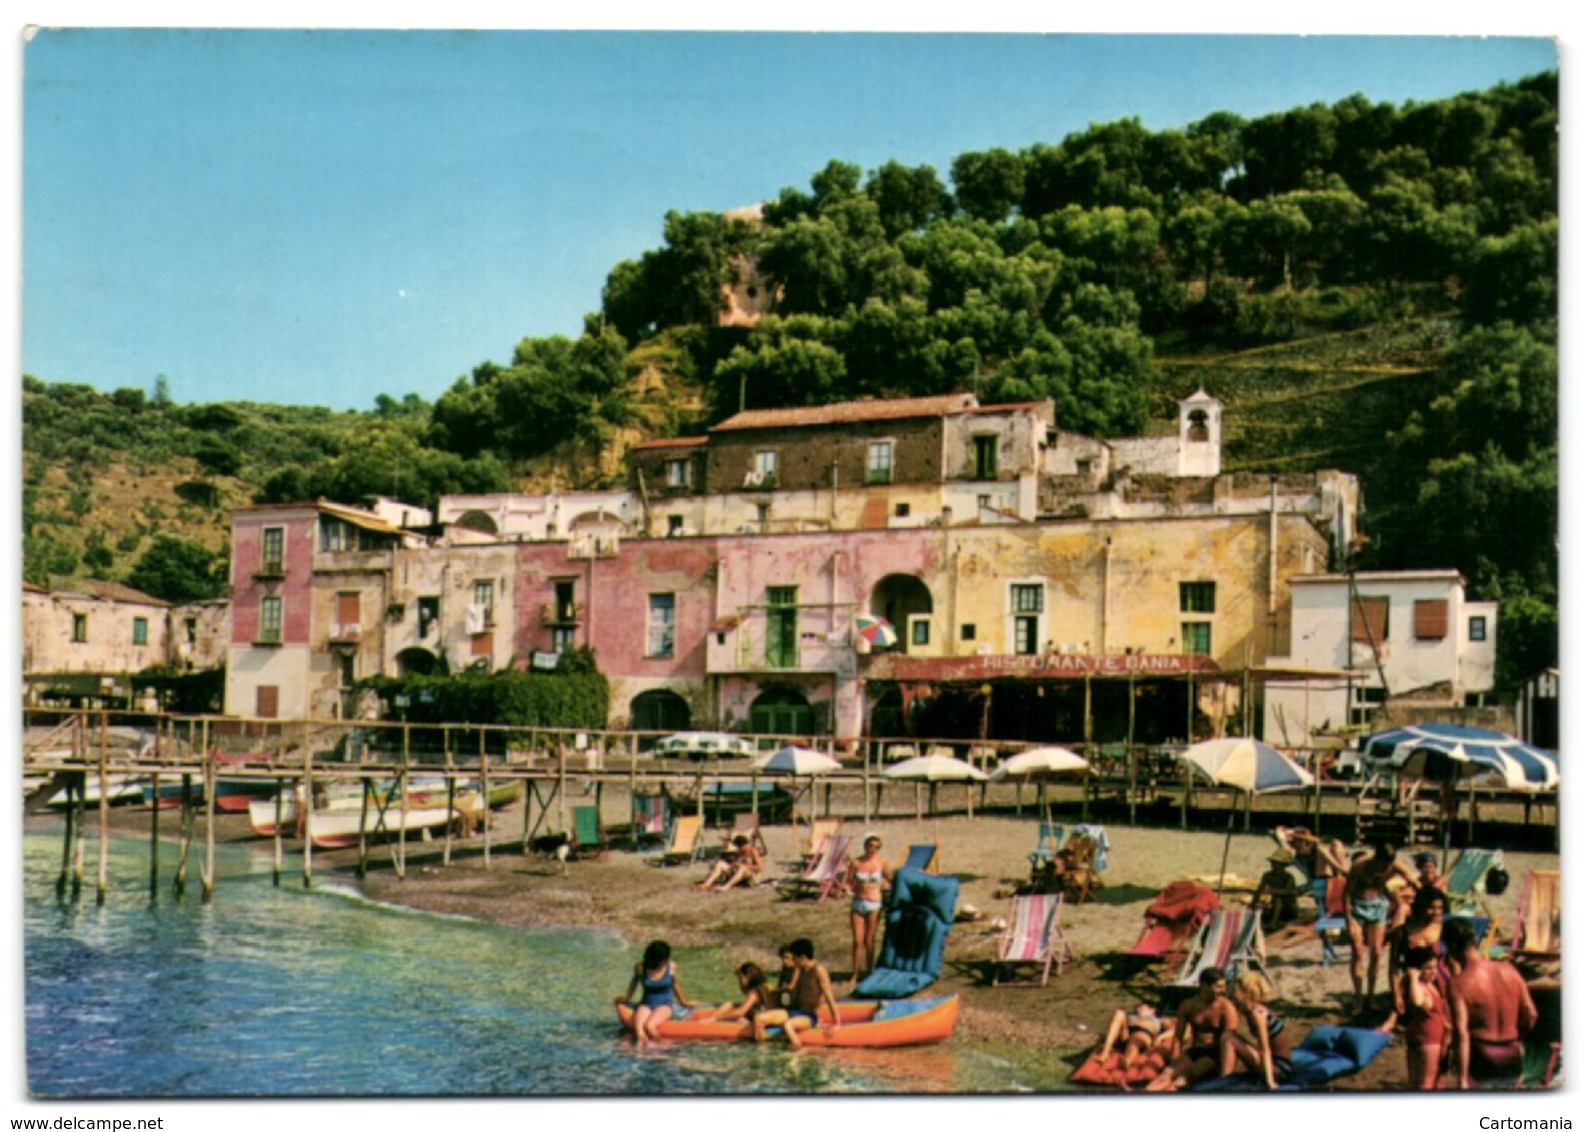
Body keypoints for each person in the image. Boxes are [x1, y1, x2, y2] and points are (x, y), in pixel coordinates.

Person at [1445, 916, 1538, 1089]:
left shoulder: (1458, 984)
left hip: (1482, 1057)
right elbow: (1531, 1013)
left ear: (1451, 948)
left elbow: (1461, 1033)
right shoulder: (1509, 970)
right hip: (1512, 1053)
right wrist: (1518, 1037)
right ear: (1475, 941)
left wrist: (1463, 1077)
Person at [1343, 840, 1418, 1014]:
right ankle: (1358, 999)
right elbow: (1346, 893)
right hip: (1358, 905)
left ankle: (1370, 998)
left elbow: (1412, 879)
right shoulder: (1359, 867)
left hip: (1378, 906)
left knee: (1376, 952)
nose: (1385, 867)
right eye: (1382, 863)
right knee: (1357, 950)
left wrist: (1422, 892)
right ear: (1376, 858)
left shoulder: (1394, 865)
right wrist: (1348, 918)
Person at [1146, 966, 1239, 1091]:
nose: (1223, 990)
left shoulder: (1226, 1008)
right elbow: (1178, 1037)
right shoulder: (1188, 1005)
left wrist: (1225, 1074)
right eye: (1218, 987)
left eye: (1223, 986)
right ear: (1204, 986)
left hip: (1215, 1055)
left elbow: (1231, 1041)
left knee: (1178, 1083)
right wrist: (1174, 1061)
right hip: (1195, 1051)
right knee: (1166, 1075)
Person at [752, 937, 842, 1049]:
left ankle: (798, 1053)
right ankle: (764, 1054)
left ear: (803, 957)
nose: (792, 961)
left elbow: (829, 996)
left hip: (808, 1016)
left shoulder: (819, 971)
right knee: (758, 1019)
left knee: (787, 1025)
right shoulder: (799, 970)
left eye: (794, 958)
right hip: (794, 1011)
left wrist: (837, 1022)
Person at [616, 940, 694, 1047]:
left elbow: (675, 984)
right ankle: (640, 1056)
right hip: (646, 1004)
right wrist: (627, 998)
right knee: (639, 1029)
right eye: (663, 959)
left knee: (649, 1026)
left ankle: (664, 1047)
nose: (666, 960)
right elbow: (633, 983)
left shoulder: (671, 966)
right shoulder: (640, 968)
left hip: (664, 1005)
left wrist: (684, 1002)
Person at [1225, 971, 1294, 1091]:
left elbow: (1265, 1049)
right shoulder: (1250, 1010)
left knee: (1229, 1040)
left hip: (1278, 1070)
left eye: (1235, 992)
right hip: (1275, 1063)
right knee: (1229, 1036)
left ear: (1246, 994)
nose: (1232, 996)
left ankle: (1222, 1081)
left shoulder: (1258, 1015)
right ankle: (1223, 1079)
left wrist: (1270, 1082)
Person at [844, 832, 893, 989]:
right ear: (865, 846)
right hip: (858, 902)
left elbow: (892, 879)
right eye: (870, 846)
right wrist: (846, 888)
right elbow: (848, 882)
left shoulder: (882, 863)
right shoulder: (856, 863)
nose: (873, 849)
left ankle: (869, 971)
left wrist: (886, 889)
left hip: (874, 904)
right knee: (857, 941)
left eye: (876, 847)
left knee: (869, 941)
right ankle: (855, 974)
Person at [1400, 945, 1450, 1090]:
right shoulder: (1419, 987)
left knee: (1419, 1083)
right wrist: (1414, 977)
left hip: (1423, 1038)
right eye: (1428, 968)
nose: (1433, 972)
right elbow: (1417, 1001)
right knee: (1426, 1084)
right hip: (1429, 1041)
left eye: (1435, 967)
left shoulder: (1429, 985)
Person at [1095, 1002, 1173, 1069]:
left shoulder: (1159, 1020)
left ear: (1152, 1010)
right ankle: (1105, 1052)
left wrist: (1160, 1037)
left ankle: (1127, 1060)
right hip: (1126, 1034)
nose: (1138, 1009)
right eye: (1137, 1008)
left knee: (1136, 1038)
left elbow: (1173, 1030)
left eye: (1141, 1007)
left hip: (1144, 1034)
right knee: (1119, 1013)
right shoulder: (1131, 1016)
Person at [1250, 849, 1301, 931]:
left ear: (1284, 865)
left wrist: (1271, 891)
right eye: (1273, 863)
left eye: (1277, 864)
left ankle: (1272, 924)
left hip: (1288, 908)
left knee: (1278, 898)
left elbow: (1287, 892)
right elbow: (1259, 890)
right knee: (1261, 908)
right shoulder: (1267, 876)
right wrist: (1254, 903)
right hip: (1275, 908)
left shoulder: (1289, 877)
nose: (1274, 865)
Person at [693, 835, 763, 891]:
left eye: (740, 847)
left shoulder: (753, 851)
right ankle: (706, 884)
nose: (739, 848)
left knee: (742, 868)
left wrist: (745, 866)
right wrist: (734, 863)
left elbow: (759, 867)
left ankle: (726, 886)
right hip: (739, 872)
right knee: (720, 864)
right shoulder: (740, 851)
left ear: (744, 845)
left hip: (752, 876)